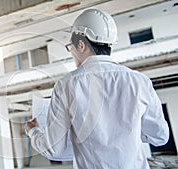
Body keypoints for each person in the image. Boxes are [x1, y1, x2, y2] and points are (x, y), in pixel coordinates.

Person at [25, 9, 169, 169]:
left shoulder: (67, 84)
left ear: (81, 45)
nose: (71, 52)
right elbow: (159, 136)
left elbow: (53, 149)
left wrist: (34, 131)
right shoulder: (140, 81)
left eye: (70, 47)